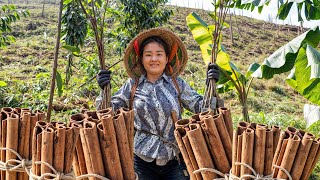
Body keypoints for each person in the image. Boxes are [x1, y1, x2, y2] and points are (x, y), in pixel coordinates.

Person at [96, 28, 220, 180]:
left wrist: (211, 86)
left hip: (174, 158)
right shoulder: (132, 85)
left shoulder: (177, 84)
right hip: (141, 159)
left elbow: (202, 109)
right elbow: (108, 111)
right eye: (148, 54)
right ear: (141, 58)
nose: (154, 59)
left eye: (159, 54)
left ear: (167, 58)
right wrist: (104, 89)